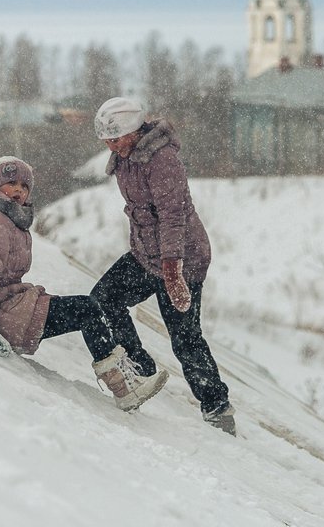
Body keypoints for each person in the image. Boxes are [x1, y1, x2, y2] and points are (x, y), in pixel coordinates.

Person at [0, 155, 168, 412]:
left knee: (86, 308)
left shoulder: (5, 219)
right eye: (11, 183)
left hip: (12, 307)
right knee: (87, 308)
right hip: (2, 314)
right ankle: (124, 386)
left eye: (24, 186)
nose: (19, 191)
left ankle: (125, 382)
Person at [90, 96, 236, 435]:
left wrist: (173, 272)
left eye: (115, 138)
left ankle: (217, 407)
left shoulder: (162, 159)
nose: (110, 146)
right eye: (106, 140)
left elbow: (173, 217)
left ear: (134, 130)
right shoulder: (124, 158)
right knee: (104, 298)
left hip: (182, 258)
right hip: (147, 256)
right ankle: (140, 365)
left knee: (185, 338)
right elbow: (139, 214)